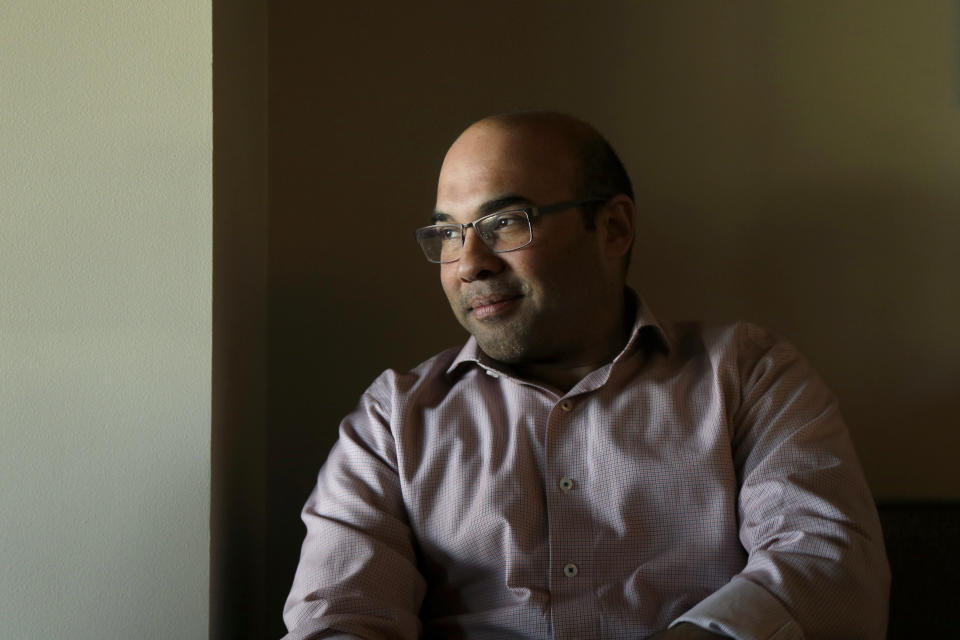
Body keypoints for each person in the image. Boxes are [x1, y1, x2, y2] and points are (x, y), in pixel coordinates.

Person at [281, 112, 889, 639]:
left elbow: (826, 568)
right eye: (448, 233)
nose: (469, 263)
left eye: (506, 222)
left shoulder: (747, 376)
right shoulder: (394, 419)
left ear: (614, 228)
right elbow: (338, 618)